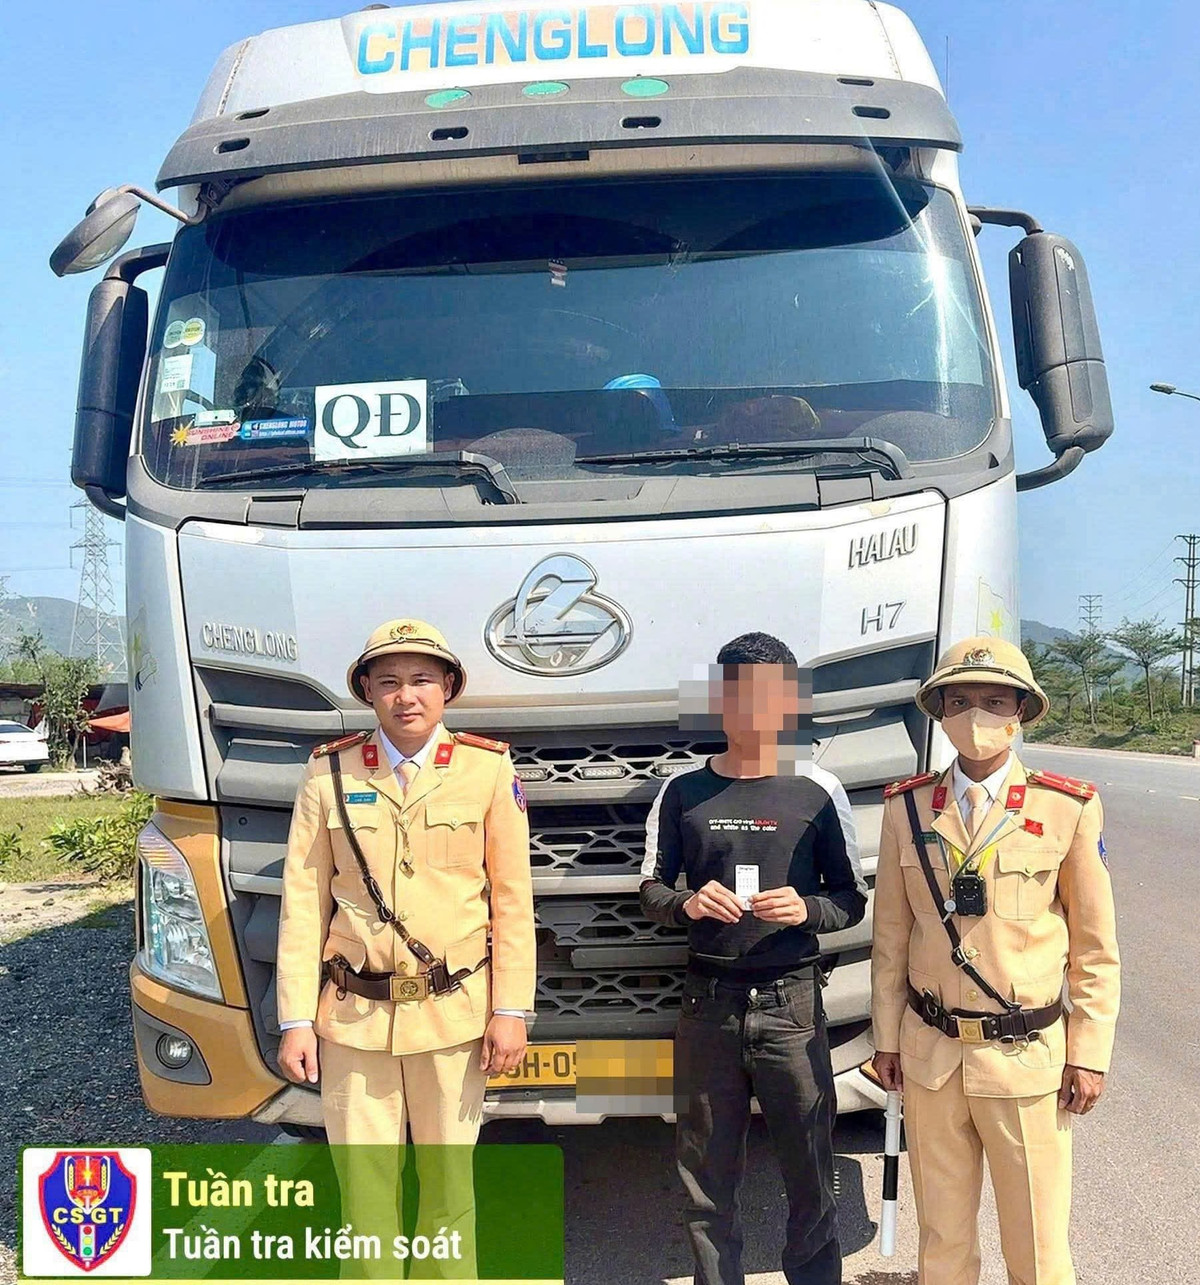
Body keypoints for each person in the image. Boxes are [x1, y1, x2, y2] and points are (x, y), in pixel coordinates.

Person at [274, 618, 536, 1272]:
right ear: (367, 690)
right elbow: (303, 903)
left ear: (447, 687)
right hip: (354, 1021)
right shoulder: (327, 773)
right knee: (364, 1200)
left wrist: (511, 1009)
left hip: (452, 1018)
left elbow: (512, 901)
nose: (406, 695)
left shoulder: (487, 769)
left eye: (422, 679)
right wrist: (295, 1019)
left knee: (449, 1194)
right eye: (388, 681)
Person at [871, 637, 1120, 1285]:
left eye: (993, 700)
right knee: (942, 1241)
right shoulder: (905, 808)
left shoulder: (1066, 807)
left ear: (1021, 712)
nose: (975, 714)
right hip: (932, 1056)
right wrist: (886, 1038)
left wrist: (1088, 1052)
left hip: (1026, 1059)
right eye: (958, 701)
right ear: (939, 713)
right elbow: (891, 939)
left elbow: (1095, 948)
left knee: (1037, 1246)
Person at [640, 632, 866, 1285]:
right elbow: (651, 890)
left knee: (810, 1171)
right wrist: (687, 903)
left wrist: (806, 909)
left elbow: (850, 899)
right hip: (707, 1004)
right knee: (705, 1177)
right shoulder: (682, 791)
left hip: (791, 1004)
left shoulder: (818, 788)